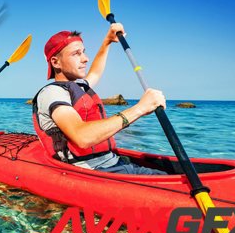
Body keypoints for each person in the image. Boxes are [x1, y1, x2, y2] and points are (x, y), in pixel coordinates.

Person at [33, 29, 168, 175]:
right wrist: (140, 108)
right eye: (76, 54)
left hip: (113, 162)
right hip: (92, 171)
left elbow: (95, 72)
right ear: (55, 62)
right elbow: (82, 137)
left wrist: (107, 41)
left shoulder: (79, 87)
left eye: (83, 52)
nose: (85, 58)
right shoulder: (52, 93)